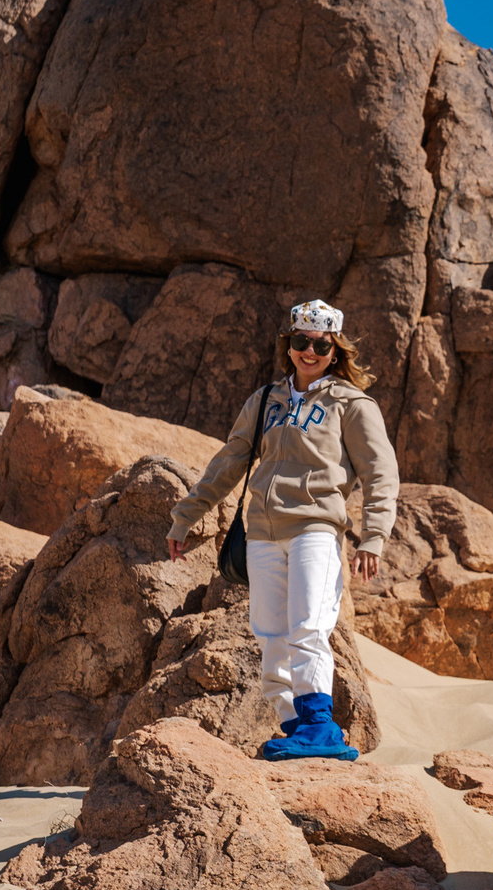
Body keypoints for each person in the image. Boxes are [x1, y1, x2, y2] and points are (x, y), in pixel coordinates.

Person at [165, 300, 401, 762]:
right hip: (262, 532)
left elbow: (381, 473)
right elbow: (229, 462)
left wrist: (373, 537)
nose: (309, 351)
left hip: (315, 527)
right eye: (301, 341)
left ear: (334, 351)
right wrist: (186, 515)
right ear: (288, 345)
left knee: (308, 625)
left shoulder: (351, 405)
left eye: (320, 344)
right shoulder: (265, 401)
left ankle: (320, 726)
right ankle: (293, 724)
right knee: (269, 631)